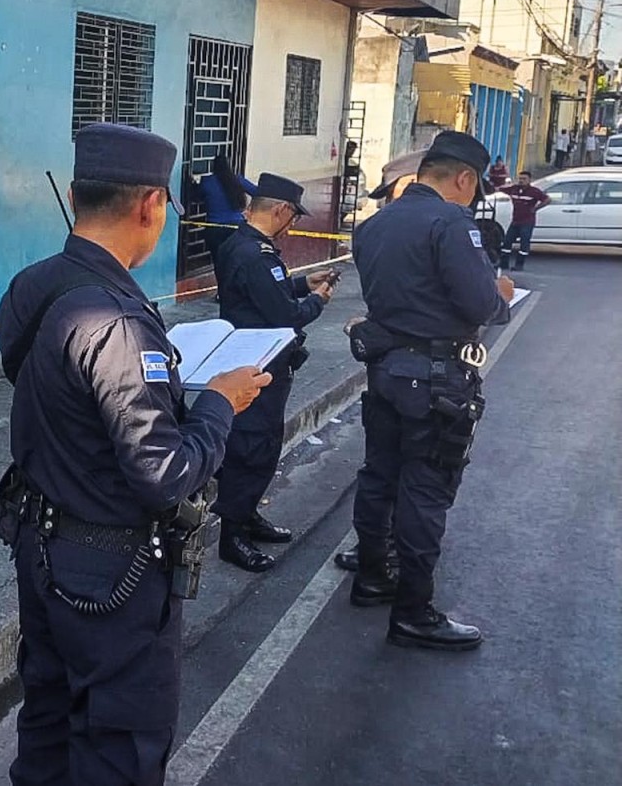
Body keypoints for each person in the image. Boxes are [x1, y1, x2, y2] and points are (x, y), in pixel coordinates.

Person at [0, 122, 272, 786]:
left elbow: (45, 386)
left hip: (40, 543)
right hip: (108, 571)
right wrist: (217, 404)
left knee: (49, 718)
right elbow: (165, 475)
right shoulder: (117, 319)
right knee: (119, 743)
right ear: (150, 205)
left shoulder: (32, 286)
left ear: (74, 192)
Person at [348, 130, 514, 651]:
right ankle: (414, 612)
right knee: (425, 491)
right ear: (464, 179)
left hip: (385, 372)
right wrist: (499, 294)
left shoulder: (373, 226)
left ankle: (373, 575)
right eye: (475, 187)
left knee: (379, 476)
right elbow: (477, 304)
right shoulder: (450, 222)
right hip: (436, 379)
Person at [212, 173, 335, 571]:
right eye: (292, 217)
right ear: (280, 210)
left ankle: (246, 515)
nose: (293, 224)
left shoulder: (247, 246)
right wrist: (316, 300)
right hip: (257, 364)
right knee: (250, 449)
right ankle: (232, 535)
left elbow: (266, 294)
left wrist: (301, 283)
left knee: (261, 446)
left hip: (261, 363)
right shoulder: (255, 254)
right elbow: (283, 314)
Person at [333, 148, 427, 573]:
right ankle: (395, 561)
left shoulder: (370, 231)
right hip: (424, 372)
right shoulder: (437, 228)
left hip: (383, 363)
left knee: (379, 468)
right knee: (419, 475)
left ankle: (371, 554)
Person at [195, 152, 258, 265]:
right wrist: (250, 212)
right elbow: (257, 192)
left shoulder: (207, 182)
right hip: (236, 228)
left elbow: (196, 196)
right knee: (235, 264)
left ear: (213, 167)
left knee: (219, 264)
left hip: (215, 229)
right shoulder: (236, 180)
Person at [498, 171, 551, 272]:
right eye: (520, 179)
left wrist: (535, 208)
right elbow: (500, 189)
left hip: (527, 222)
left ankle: (519, 265)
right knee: (507, 242)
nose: (521, 181)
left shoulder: (534, 191)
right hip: (515, 221)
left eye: (524, 179)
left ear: (529, 180)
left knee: (524, 244)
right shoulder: (514, 189)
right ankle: (503, 263)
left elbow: (547, 199)